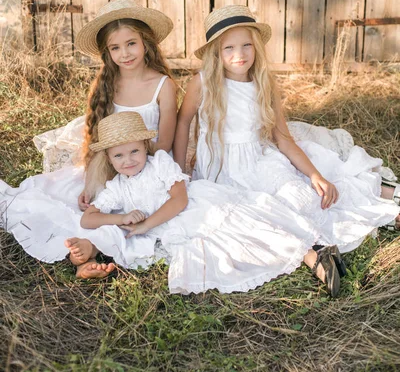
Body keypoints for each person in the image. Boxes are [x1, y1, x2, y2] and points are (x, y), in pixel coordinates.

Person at [173, 5, 399, 294]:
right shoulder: (203, 83)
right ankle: (316, 252)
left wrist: (314, 174)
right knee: (253, 210)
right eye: (229, 48)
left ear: (256, 47)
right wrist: (180, 171)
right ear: (216, 53)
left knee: (302, 194)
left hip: (259, 160)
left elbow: (283, 139)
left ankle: (383, 205)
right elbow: (183, 124)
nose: (239, 54)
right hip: (222, 170)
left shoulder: (263, 84)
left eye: (246, 45)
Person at [0, 0, 177, 276]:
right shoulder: (108, 84)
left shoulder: (162, 85)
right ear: (107, 53)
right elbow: (98, 138)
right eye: (115, 48)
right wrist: (92, 183)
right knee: (75, 200)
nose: (125, 54)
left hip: (149, 164)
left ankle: (91, 250)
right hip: (112, 163)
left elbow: (165, 143)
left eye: (131, 43)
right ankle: (84, 248)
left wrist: (140, 176)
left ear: (146, 43)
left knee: (143, 207)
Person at [62, 111, 332, 293]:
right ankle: (86, 258)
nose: (129, 160)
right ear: (109, 159)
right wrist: (120, 218)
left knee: (242, 230)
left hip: (194, 209)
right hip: (171, 227)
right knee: (112, 230)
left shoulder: (160, 165)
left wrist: (146, 225)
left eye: (134, 151)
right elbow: (89, 218)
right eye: (119, 156)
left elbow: (179, 200)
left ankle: (313, 256)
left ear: (146, 146)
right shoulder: (117, 187)